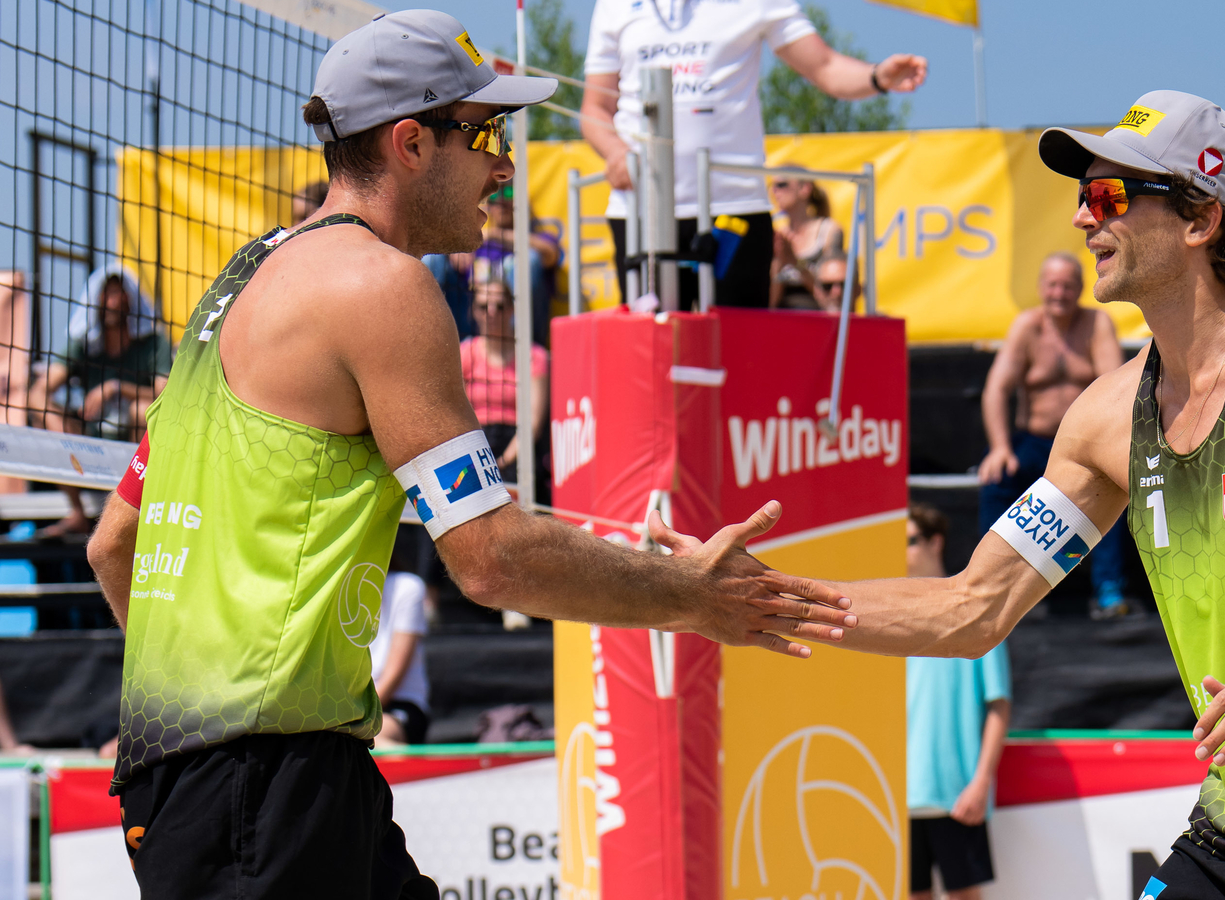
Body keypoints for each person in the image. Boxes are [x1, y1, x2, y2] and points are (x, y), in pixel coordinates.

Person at [655, 90, 1225, 898]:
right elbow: (972, 609)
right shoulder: (1104, 419)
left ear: (1201, 219)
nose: (1080, 218)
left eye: (1106, 195)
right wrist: (754, 598)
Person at [83, 12, 851, 898]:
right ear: (410, 143)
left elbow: (115, 542)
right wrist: (690, 596)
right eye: (484, 132)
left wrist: (194, 709)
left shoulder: (237, 284)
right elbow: (488, 558)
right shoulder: (382, 286)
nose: (505, 163)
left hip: (228, 772)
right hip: (268, 782)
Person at [579, 0, 926, 308]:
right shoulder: (615, 5)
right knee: (653, 354)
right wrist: (616, 152)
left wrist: (878, 77)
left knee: (737, 354)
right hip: (642, 214)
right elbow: (595, 106)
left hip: (735, 209)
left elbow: (824, 66)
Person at [977, 253, 1129, 618]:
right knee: (996, 480)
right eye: (1053, 285)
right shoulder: (1027, 327)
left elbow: (1116, 389)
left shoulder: (1096, 325)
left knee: (1115, 489)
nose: (1059, 293)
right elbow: (996, 390)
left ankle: (1108, 589)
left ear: (1080, 288)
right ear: (1041, 288)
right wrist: (999, 448)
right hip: (1034, 441)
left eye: (1067, 286)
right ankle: (994, 587)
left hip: (1084, 445)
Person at [904, 503, 1009, 900]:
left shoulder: (974, 613)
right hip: (896, 794)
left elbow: (999, 704)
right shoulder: (885, 621)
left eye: (909, 540)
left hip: (955, 793)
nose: (900, 550)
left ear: (936, 542)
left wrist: (981, 782)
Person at [37, 265, 171, 536]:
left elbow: (166, 395)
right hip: (88, 448)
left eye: (119, 294)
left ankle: (136, 505)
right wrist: (70, 414)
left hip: (134, 447)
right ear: (95, 301)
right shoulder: (84, 343)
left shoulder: (153, 342)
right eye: (106, 295)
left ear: (131, 300)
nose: (113, 302)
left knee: (141, 410)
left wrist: (115, 388)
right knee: (43, 409)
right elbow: (39, 391)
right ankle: (76, 511)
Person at [462, 278, 548, 489]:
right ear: (473, 311)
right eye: (483, 306)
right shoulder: (464, 354)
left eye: (499, 306)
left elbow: (532, 424)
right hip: (473, 444)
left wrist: (501, 463)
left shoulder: (533, 356)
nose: (491, 312)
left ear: (511, 310)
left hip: (518, 450)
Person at [471, 185, 560, 347]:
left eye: (509, 192)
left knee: (529, 259)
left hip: (527, 337)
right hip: (481, 329)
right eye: (493, 197)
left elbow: (551, 254)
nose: (501, 201)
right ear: (488, 206)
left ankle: (515, 345)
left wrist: (498, 235)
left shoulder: (538, 238)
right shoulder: (479, 245)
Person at [371, 544, 432, 746]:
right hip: (351, 712)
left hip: (397, 706)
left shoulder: (408, 587)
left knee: (368, 741)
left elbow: (394, 672)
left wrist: (354, 719)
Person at [769, 170, 844, 310]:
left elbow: (830, 294)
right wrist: (779, 262)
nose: (775, 191)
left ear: (805, 188)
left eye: (782, 184)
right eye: (772, 186)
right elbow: (771, 303)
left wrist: (796, 262)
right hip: (782, 318)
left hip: (817, 317)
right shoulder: (779, 235)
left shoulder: (828, 231)